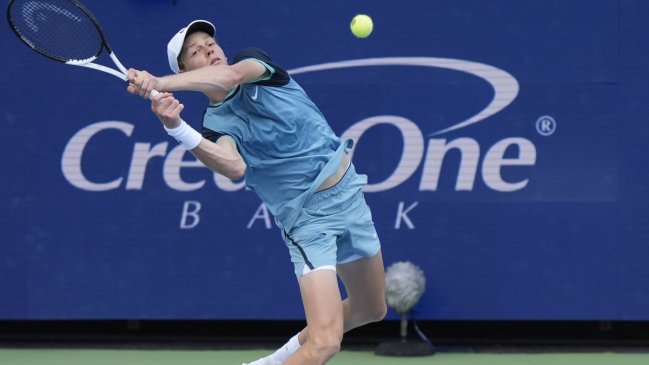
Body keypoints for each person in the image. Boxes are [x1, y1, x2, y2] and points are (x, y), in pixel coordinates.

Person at [126, 20, 387, 365]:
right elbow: (233, 167)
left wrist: (158, 82)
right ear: (186, 69)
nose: (209, 50)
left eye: (210, 43)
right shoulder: (216, 126)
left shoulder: (255, 65)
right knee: (325, 344)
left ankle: (272, 362)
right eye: (196, 51)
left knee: (371, 308)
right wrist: (176, 127)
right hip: (308, 224)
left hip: (349, 197)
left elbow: (231, 78)